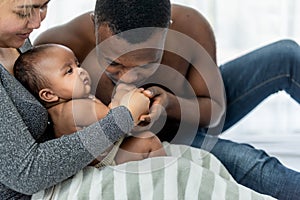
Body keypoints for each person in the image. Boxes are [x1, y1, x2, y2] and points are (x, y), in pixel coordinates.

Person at [34, 0, 300, 199]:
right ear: (94, 24)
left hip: (187, 115)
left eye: (147, 63)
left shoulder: (191, 26)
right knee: (250, 162)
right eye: (113, 63)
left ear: (167, 29)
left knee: (285, 54)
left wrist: (169, 104)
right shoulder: (58, 51)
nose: (128, 76)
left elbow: (216, 111)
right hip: (148, 142)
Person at [0, 1, 150, 199]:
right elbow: (26, 173)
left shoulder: (16, 42)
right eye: (24, 12)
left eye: (43, 6)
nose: (37, 23)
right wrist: (124, 115)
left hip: (66, 175)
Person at [13, 43, 166, 167]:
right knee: (149, 140)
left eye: (77, 64)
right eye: (69, 71)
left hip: (110, 149)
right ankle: (164, 178)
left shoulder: (71, 104)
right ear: (49, 95)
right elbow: (113, 119)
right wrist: (124, 97)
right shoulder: (71, 110)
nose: (80, 71)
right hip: (105, 162)